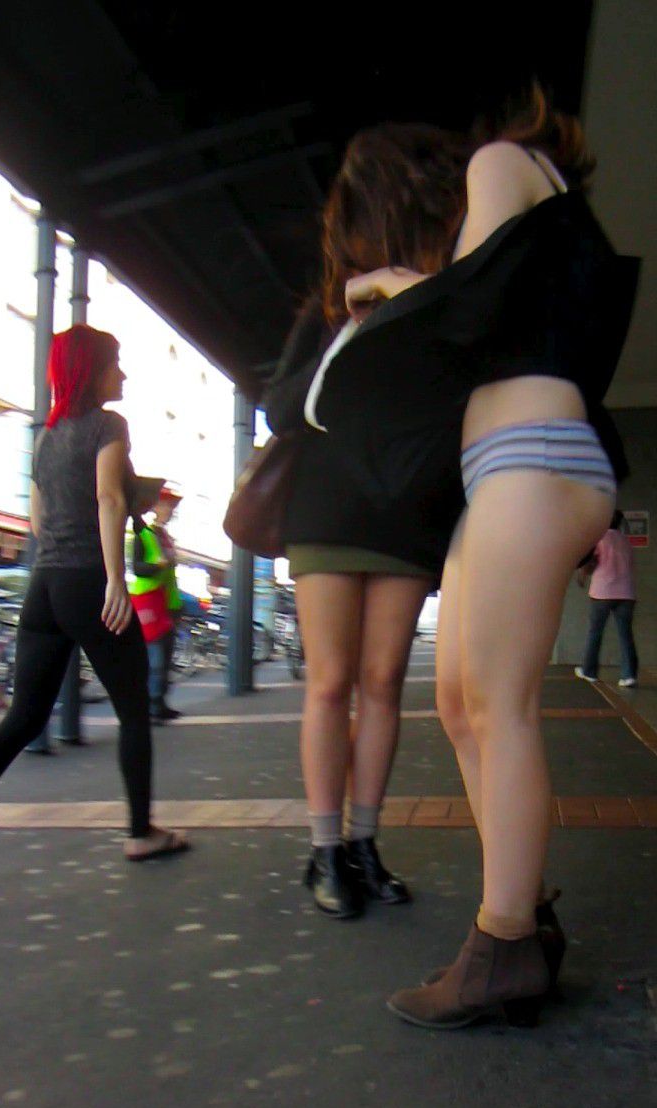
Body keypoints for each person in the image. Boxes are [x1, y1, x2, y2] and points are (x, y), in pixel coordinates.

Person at [311, 86, 638, 1023]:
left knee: (496, 707)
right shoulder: (539, 211)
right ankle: (522, 917)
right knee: (460, 705)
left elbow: (471, 306)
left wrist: (394, 288)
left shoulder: (500, 163)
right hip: (509, 465)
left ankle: (504, 945)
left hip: (533, 457)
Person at [0, 324, 189, 904]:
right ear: (92, 370)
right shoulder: (108, 426)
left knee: (23, 719)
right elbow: (106, 498)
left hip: (45, 587)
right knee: (133, 710)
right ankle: (141, 832)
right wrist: (114, 580)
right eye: (116, 363)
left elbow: (37, 519)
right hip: (87, 581)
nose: (123, 374)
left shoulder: (47, 437)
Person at [263, 292, 459, 919]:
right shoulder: (322, 314)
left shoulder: (435, 306)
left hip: (407, 513)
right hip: (326, 507)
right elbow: (280, 410)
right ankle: (325, 851)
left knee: (383, 680)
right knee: (329, 681)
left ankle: (364, 844)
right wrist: (347, 330)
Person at [128, 487, 183, 723]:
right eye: (166, 505)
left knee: (165, 657)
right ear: (155, 507)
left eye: (172, 506)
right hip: (148, 601)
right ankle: (151, 705)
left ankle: (159, 703)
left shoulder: (165, 537)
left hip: (166, 602)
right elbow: (137, 568)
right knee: (156, 658)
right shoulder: (144, 535)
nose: (170, 510)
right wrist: (158, 565)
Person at [575, 510, 638, 687]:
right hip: (626, 593)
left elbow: (589, 562)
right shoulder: (626, 541)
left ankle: (589, 671)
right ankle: (629, 675)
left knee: (595, 632)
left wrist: (581, 576)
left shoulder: (599, 539)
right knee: (626, 634)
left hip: (602, 592)